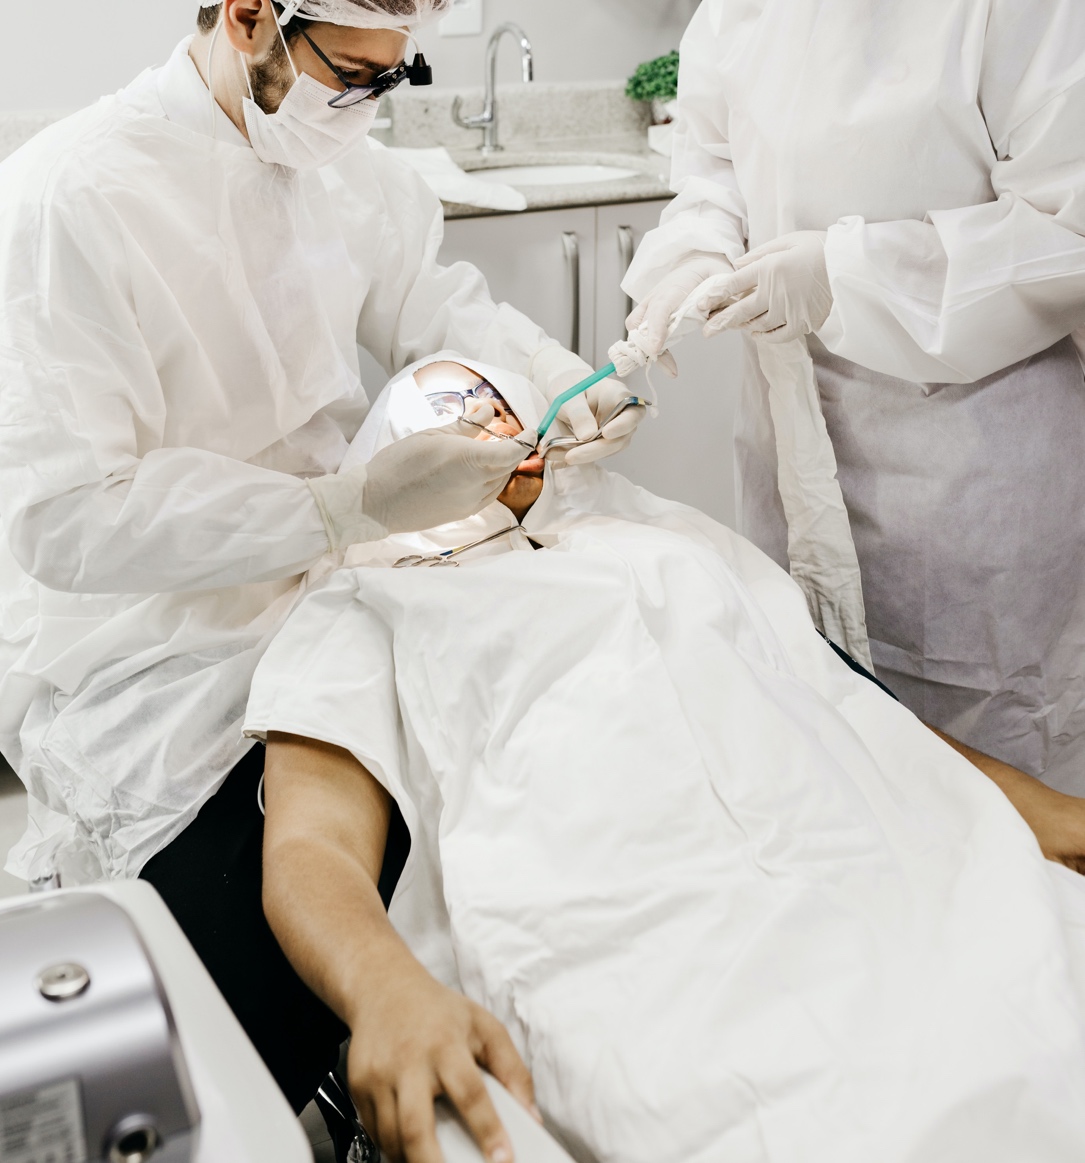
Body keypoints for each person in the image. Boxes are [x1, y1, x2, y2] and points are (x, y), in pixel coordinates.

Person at [0, 0, 643, 1112]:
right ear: (248, 18)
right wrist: (333, 508)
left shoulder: (352, 166)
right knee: (284, 924)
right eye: (355, 74)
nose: (373, 105)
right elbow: (62, 519)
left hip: (347, 584)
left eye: (395, 74)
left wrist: (569, 381)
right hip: (153, 641)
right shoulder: (74, 199)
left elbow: (435, 308)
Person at [247, 355, 1085, 1163]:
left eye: (498, 402)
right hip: (624, 916)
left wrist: (1027, 801)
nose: (493, 423)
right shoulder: (363, 601)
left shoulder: (646, 534)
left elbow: (831, 697)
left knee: (1025, 1013)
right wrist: (382, 987)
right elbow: (308, 843)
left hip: (862, 861)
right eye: (453, 413)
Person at [624, 0, 1085, 793]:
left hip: (970, 511)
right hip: (790, 469)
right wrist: (690, 248)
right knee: (827, 772)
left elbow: (1069, 234)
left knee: (989, 817)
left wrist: (836, 273)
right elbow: (711, 150)